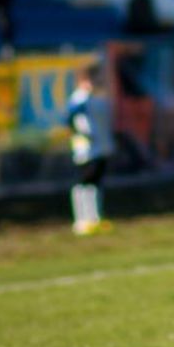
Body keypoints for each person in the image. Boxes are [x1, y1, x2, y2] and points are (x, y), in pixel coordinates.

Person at [67, 64, 114, 235]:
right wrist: (86, 134)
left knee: (95, 184)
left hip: (100, 148)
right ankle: (82, 220)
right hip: (86, 150)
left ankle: (95, 218)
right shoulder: (79, 100)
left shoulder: (96, 99)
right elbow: (73, 120)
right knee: (84, 184)